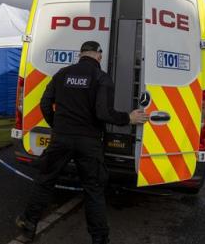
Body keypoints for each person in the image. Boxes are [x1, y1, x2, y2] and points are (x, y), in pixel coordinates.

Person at [16, 41, 149, 244]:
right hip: (89, 142)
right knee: (93, 189)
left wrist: (57, 125)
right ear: (99, 55)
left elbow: (44, 104)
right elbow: (103, 113)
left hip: (61, 139)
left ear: (80, 54)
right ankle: (99, 238)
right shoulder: (101, 77)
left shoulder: (62, 74)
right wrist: (128, 118)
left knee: (45, 181)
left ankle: (29, 225)